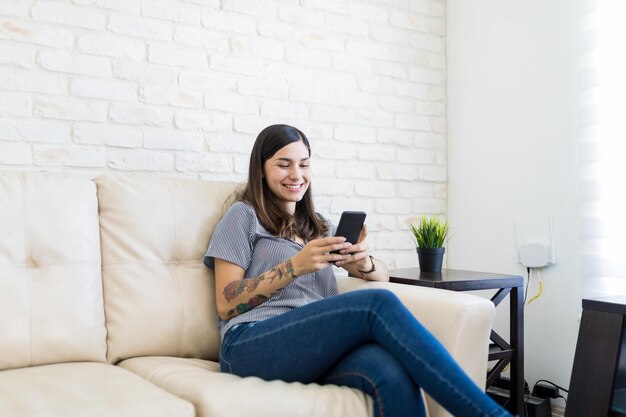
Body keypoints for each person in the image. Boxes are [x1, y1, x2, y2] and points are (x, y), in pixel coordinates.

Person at [204, 124, 512, 417]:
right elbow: (226, 302)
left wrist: (363, 262)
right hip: (248, 344)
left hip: (314, 344)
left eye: (304, 164)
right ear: (261, 168)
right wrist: (295, 266)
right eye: (284, 164)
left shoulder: (319, 226)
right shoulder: (243, 215)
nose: (296, 174)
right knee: (377, 303)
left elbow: (383, 276)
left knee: (388, 370)